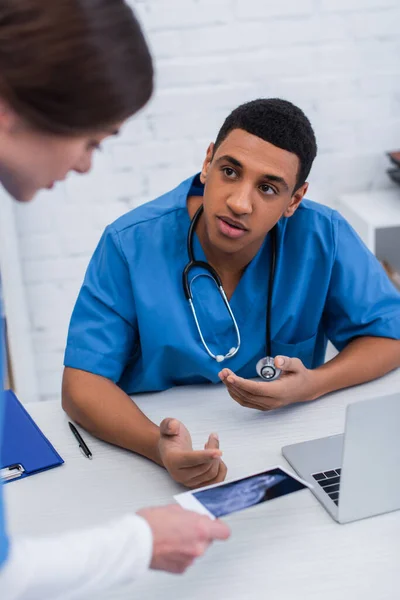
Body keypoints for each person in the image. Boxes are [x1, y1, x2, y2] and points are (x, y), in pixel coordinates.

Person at [0, 2, 230, 598]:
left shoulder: (321, 233)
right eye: (92, 141)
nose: (83, 164)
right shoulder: (130, 241)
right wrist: (141, 542)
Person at [62, 97, 400, 490]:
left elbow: (390, 334)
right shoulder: (130, 243)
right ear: (207, 163)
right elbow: (82, 384)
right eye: (229, 171)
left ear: (295, 199)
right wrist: (158, 446)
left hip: (282, 443)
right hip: (153, 444)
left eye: (269, 188)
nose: (239, 203)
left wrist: (314, 383)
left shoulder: (323, 236)